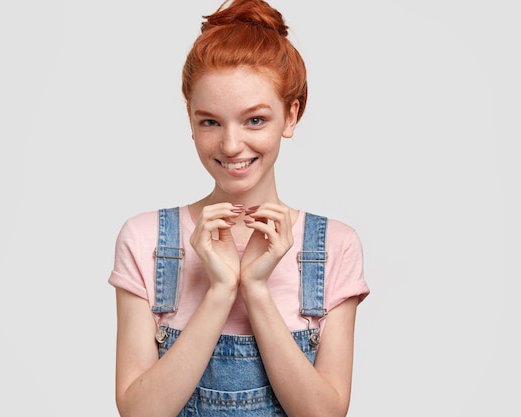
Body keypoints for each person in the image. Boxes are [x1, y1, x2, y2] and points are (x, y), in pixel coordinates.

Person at [108, 0, 370, 415]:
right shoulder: (147, 240)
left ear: (291, 115)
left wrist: (256, 289)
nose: (231, 145)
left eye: (254, 120)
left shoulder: (335, 246)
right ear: (191, 122)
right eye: (210, 121)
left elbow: (324, 414)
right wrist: (220, 291)